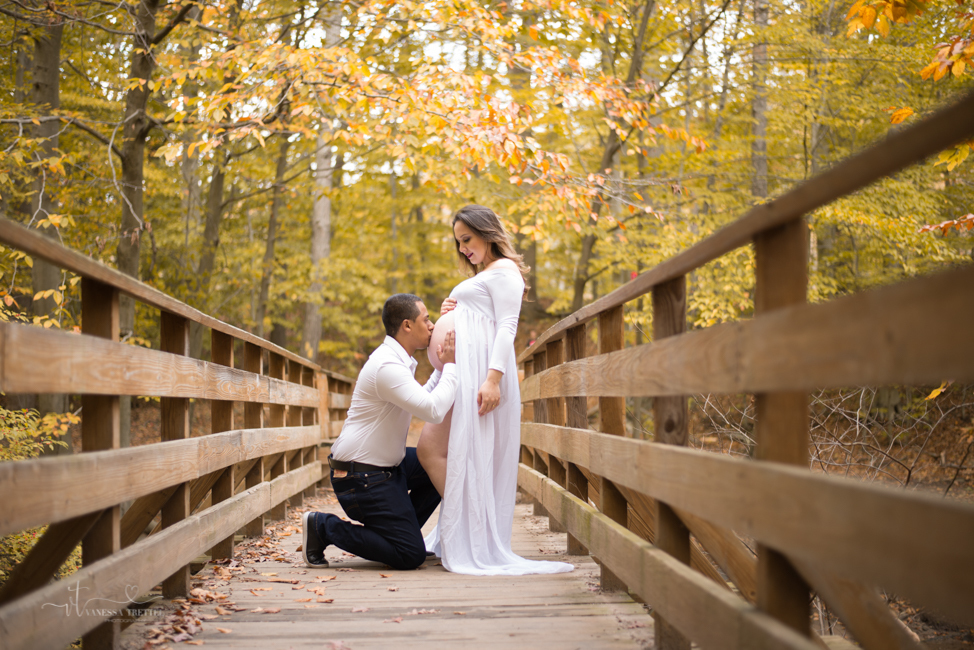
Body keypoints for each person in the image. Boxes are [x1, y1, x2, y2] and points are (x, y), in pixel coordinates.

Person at [417, 205, 573, 576]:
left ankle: (474, 531)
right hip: (464, 370)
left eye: (467, 239)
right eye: (458, 243)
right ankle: (469, 528)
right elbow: (480, 317)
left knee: (434, 449)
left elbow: (506, 327)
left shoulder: (505, 271)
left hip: (479, 374)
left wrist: (493, 379)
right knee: (442, 450)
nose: (463, 249)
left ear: (487, 232)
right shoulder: (488, 273)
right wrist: (450, 311)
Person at [301, 293, 457, 570]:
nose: (432, 325)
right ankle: (323, 527)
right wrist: (452, 366)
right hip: (360, 477)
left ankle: (399, 532)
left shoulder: (396, 360)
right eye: (426, 319)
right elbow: (432, 410)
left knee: (439, 464)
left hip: (384, 467)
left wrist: (443, 367)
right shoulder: (387, 366)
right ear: (407, 325)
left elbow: (421, 398)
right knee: (409, 555)